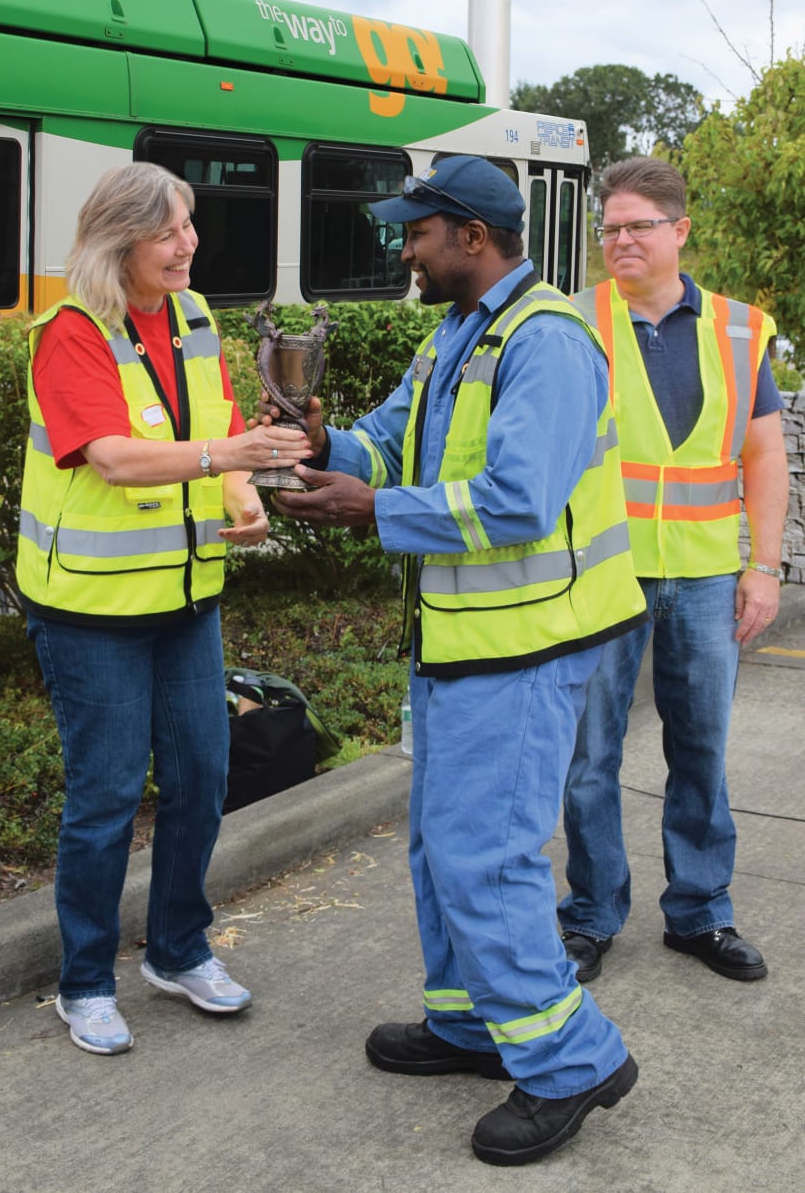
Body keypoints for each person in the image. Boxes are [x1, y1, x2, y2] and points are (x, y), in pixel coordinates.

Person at [272, 155, 648, 1167]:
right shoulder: (458, 335)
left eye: (417, 233)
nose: (405, 250)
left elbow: (518, 500)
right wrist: (325, 450)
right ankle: (470, 1024)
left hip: (522, 652)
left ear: (470, 239)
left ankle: (573, 1061)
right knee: (444, 851)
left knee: (487, 860)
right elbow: (391, 441)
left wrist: (371, 509)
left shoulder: (548, 343)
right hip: (460, 646)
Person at [15, 163, 311, 1055]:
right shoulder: (69, 334)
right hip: (90, 610)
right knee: (105, 798)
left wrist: (241, 500)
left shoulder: (193, 316)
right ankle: (84, 983)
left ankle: (178, 951)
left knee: (200, 781)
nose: (188, 244)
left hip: (187, 597)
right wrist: (231, 452)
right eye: (168, 231)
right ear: (120, 241)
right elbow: (111, 456)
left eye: (189, 225)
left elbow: (207, 425)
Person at [557, 157, 788, 986]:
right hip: (602, 574)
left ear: (679, 231)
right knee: (590, 757)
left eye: (636, 226)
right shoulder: (573, 321)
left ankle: (700, 912)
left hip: (703, 577)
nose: (619, 240)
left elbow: (764, 454)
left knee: (701, 748)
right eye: (609, 228)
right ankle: (590, 914)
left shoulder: (737, 328)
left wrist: (764, 567)